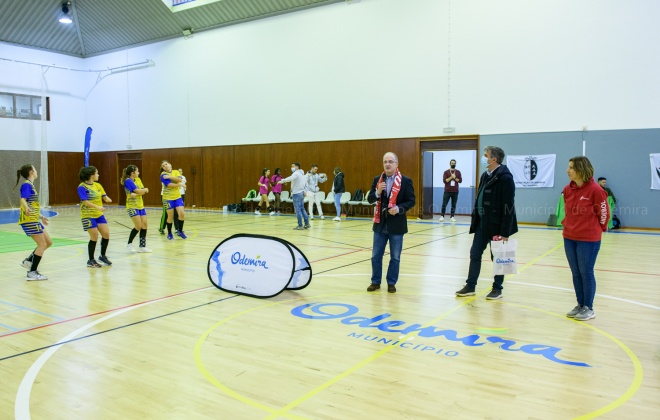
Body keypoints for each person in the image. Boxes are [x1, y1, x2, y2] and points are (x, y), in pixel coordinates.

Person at [456, 146, 518, 300]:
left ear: (494, 159)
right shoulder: (485, 175)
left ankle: (497, 288)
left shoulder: (505, 177)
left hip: (497, 226)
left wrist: (505, 232)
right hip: (482, 224)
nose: (483, 158)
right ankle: (470, 286)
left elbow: (508, 206)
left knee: (498, 257)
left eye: (486, 156)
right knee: (475, 254)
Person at [563, 157, 609, 321]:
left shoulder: (596, 190)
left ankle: (589, 307)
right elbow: (568, 212)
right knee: (576, 273)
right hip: (569, 237)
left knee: (586, 272)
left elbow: (604, 214)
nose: (567, 171)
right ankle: (580, 304)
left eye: (571, 168)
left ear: (581, 170)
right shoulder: (567, 189)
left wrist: (598, 230)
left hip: (588, 239)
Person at [366, 152, 416, 293]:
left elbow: (411, 201)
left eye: (390, 161)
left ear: (396, 164)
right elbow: (370, 199)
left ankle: (391, 282)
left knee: (395, 257)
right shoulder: (378, 180)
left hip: (397, 225)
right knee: (376, 256)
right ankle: (375, 282)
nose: (387, 164)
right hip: (380, 224)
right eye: (385, 161)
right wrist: (377, 192)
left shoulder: (405, 181)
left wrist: (399, 208)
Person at [15, 164, 52, 280]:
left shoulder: (31, 185)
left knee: (48, 242)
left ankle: (28, 261)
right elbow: (23, 199)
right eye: (35, 169)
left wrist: (41, 216)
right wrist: (26, 208)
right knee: (42, 245)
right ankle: (32, 272)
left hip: (34, 218)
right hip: (29, 220)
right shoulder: (27, 184)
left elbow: (32, 205)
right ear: (31, 172)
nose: (36, 171)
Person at [78, 166, 113, 267]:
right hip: (87, 215)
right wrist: (98, 207)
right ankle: (91, 260)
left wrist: (107, 199)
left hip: (99, 215)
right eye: (97, 173)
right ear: (91, 175)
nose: (98, 175)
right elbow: (85, 201)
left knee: (106, 234)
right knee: (94, 236)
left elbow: (104, 196)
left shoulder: (98, 185)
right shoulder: (82, 187)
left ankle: (102, 256)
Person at [121, 165, 151, 253]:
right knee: (138, 226)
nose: (139, 173)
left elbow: (141, 191)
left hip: (140, 205)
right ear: (132, 173)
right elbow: (140, 191)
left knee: (144, 225)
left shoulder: (138, 180)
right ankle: (129, 244)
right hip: (132, 206)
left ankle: (142, 246)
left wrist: (141, 191)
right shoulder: (128, 181)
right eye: (137, 171)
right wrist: (142, 191)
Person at [278, 162, 310, 230]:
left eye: (293, 166)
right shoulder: (302, 174)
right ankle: (307, 224)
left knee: (298, 210)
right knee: (302, 208)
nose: (291, 168)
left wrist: (282, 181)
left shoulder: (296, 173)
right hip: (301, 193)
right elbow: (306, 184)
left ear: (297, 167)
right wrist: (304, 191)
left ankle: (300, 225)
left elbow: (290, 178)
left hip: (296, 194)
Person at [160, 160, 186, 240]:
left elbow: (179, 179)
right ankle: (170, 233)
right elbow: (169, 185)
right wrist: (179, 184)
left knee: (181, 214)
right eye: (163, 166)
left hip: (177, 197)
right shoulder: (163, 175)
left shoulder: (176, 172)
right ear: (163, 169)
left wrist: (170, 177)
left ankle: (180, 231)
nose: (165, 166)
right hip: (168, 198)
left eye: (166, 164)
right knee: (170, 216)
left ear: (170, 164)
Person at [174, 168, 187, 232]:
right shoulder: (175, 178)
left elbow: (184, 185)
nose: (180, 172)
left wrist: (185, 188)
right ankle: (176, 228)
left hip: (182, 195)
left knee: (181, 212)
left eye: (181, 171)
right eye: (179, 171)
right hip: (176, 195)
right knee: (176, 212)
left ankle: (180, 228)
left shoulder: (183, 178)